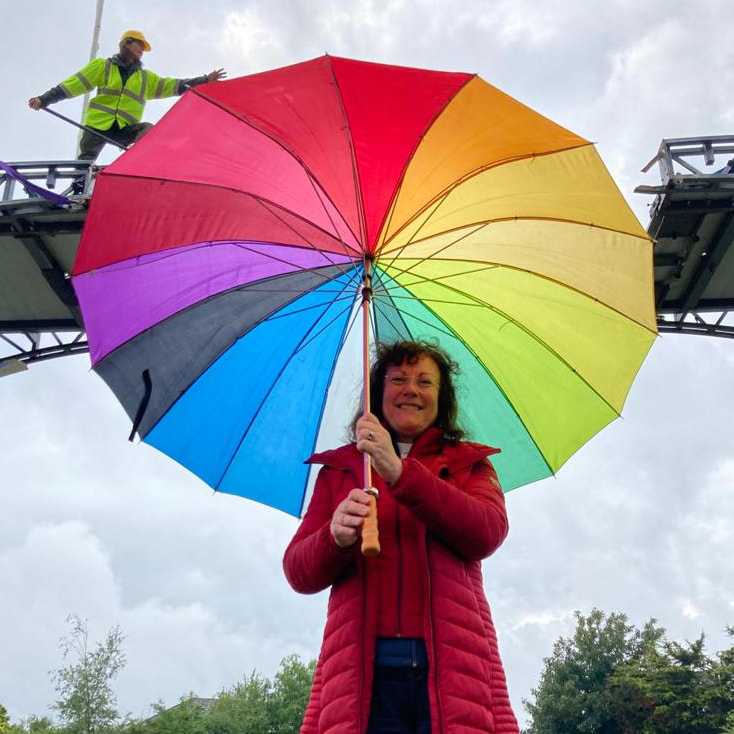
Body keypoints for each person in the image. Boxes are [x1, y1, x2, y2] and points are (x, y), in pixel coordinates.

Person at [283, 340, 520, 734]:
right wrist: (335, 537)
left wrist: (400, 473)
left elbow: (487, 532)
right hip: (360, 678)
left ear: (441, 398)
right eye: (398, 379)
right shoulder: (341, 470)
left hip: (455, 672)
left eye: (425, 381)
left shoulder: (469, 464)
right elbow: (298, 572)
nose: (411, 389)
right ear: (379, 393)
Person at [28, 29, 226, 161]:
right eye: (138, 45)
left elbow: (175, 86)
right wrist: (44, 99)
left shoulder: (146, 78)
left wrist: (204, 79)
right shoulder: (102, 67)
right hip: (97, 124)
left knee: (147, 130)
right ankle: (77, 193)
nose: (141, 50)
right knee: (85, 162)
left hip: (125, 128)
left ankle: (136, 163)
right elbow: (72, 86)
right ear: (126, 44)